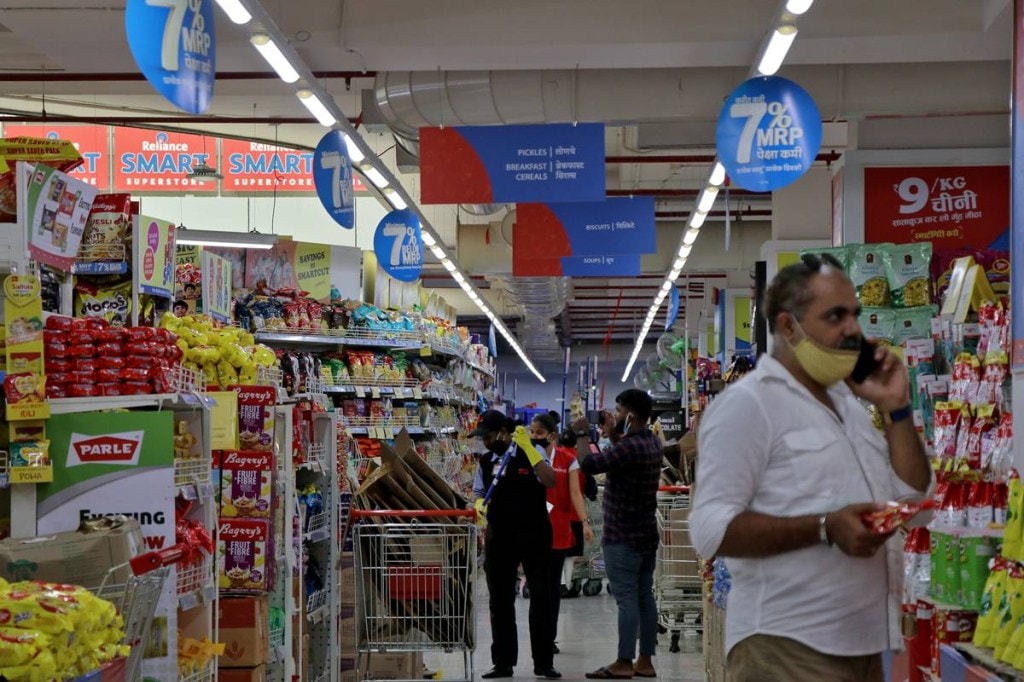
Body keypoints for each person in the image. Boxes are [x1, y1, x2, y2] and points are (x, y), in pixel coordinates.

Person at [688, 253, 932, 682]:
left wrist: (896, 409)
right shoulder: (747, 406)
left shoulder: (847, 405)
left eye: (854, 314)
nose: (853, 329)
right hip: (785, 648)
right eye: (835, 316)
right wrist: (823, 527)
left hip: (863, 645)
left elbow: (914, 498)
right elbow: (710, 529)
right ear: (788, 326)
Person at [574, 390, 662, 680]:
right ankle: (645, 661)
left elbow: (589, 465)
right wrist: (612, 434)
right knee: (644, 596)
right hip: (646, 534)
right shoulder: (650, 442)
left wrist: (583, 433)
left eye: (619, 409)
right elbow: (621, 457)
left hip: (622, 535)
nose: (615, 414)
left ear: (631, 415)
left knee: (626, 600)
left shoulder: (631, 446)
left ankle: (624, 661)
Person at [470, 410, 562, 680]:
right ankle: (503, 662)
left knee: (541, 598)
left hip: (534, 535)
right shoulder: (486, 462)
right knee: (499, 601)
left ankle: (544, 663)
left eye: (487, 436)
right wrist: (477, 504)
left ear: (502, 432)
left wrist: (531, 452)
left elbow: (550, 480)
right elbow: (478, 492)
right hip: (500, 538)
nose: (484, 442)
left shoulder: (531, 449)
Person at [528, 413, 593, 656]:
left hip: (559, 530)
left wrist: (585, 522)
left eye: (540, 433)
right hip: (533, 531)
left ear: (552, 436)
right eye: (532, 433)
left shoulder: (568, 460)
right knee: (538, 588)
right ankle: (539, 638)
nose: (535, 437)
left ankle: (550, 637)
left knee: (553, 587)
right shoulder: (527, 456)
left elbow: (576, 493)